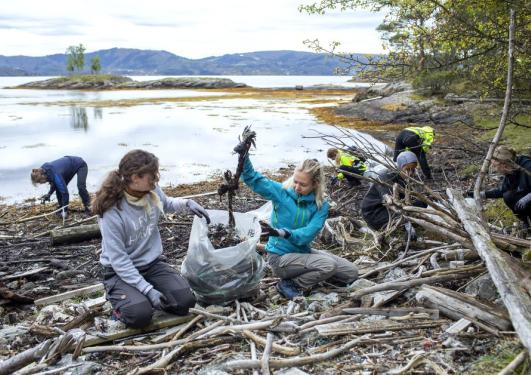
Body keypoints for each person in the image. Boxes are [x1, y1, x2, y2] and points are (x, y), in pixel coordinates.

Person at [93, 149, 211, 328]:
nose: (156, 178)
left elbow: (167, 203)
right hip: (120, 272)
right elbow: (119, 260)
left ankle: (141, 292)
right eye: (152, 175)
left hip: (152, 265)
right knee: (140, 316)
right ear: (135, 177)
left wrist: (187, 203)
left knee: (185, 302)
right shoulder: (111, 211)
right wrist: (148, 291)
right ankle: (120, 300)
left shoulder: (151, 190)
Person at [236, 131, 358, 300]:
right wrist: (244, 156)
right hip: (280, 258)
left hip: (302, 252)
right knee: (327, 265)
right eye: (295, 181)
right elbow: (254, 179)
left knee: (351, 273)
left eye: (303, 184)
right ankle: (291, 284)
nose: (297, 187)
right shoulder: (282, 193)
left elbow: (308, 234)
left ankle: (316, 274)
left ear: (315, 184)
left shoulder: (321, 205)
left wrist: (282, 232)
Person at [361, 151, 427, 239]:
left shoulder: (404, 178)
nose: (410, 173)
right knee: (405, 229)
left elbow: (409, 199)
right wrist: (406, 223)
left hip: (391, 208)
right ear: (400, 167)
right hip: (375, 212)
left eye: (413, 169)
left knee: (422, 203)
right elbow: (391, 203)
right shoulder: (385, 177)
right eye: (407, 169)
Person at [472, 146, 531, 232]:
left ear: (504, 164)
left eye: (495, 165)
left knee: (510, 196)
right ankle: (528, 223)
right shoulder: (511, 171)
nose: (494, 168)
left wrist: (528, 198)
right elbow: (502, 191)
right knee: (509, 196)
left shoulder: (527, 166)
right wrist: (481, 194)